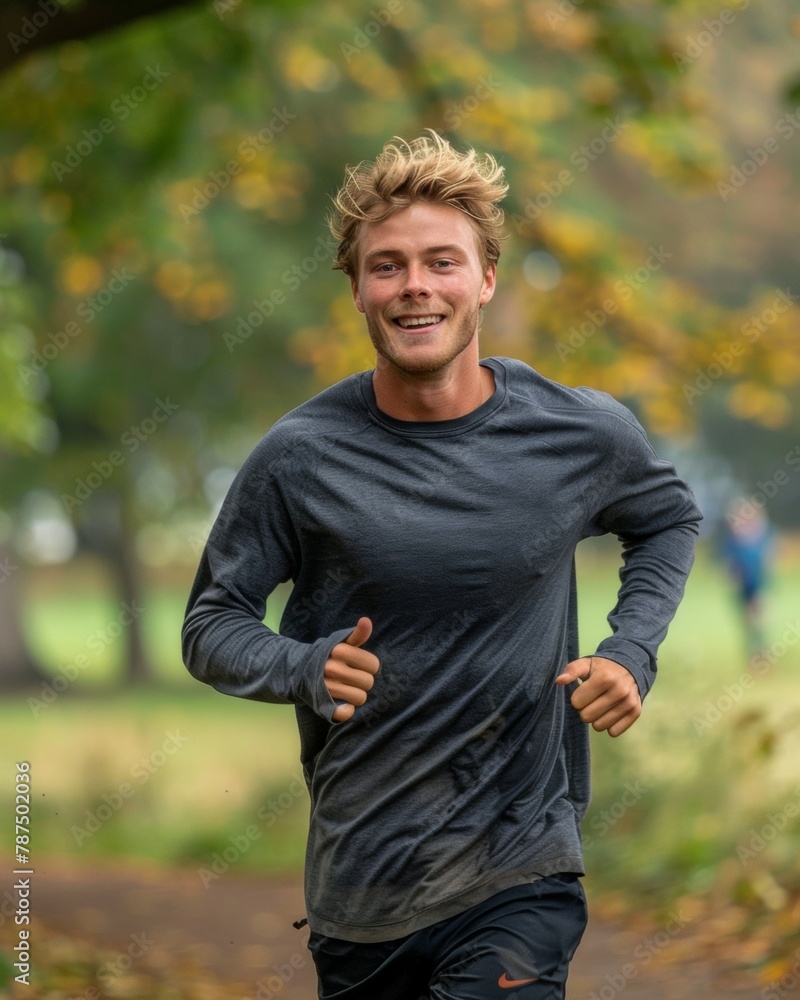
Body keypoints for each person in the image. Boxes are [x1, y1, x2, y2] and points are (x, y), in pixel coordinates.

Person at [182, 130, 702, 1000]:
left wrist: (629, 650)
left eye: (441, 262)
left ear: (486, 279)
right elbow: (210, 625)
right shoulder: (300, 456)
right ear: (355, 289)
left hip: (521, 867)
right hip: (363, 887)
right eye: (386, 267)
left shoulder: (578, 434)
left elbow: (669, 520)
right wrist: (302, 666)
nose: (415, 286)